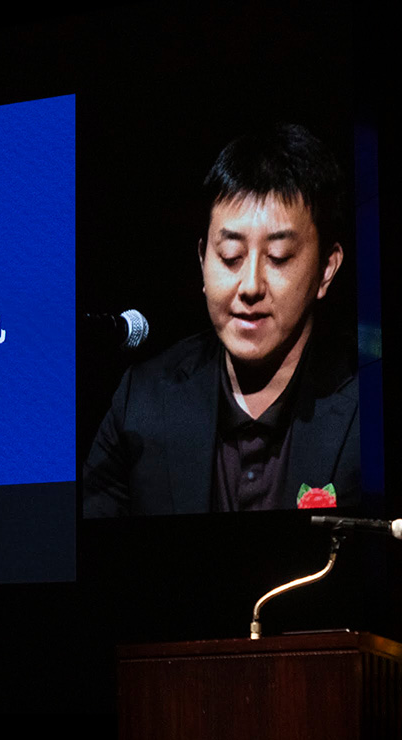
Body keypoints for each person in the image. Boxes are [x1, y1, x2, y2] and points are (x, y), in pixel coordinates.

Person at [82, 123, 359, 516]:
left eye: (278, 257)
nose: (250, 286)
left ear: (326, 269)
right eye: (230, 256)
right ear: (202, 261)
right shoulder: (142, 400)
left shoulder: (367, 407)